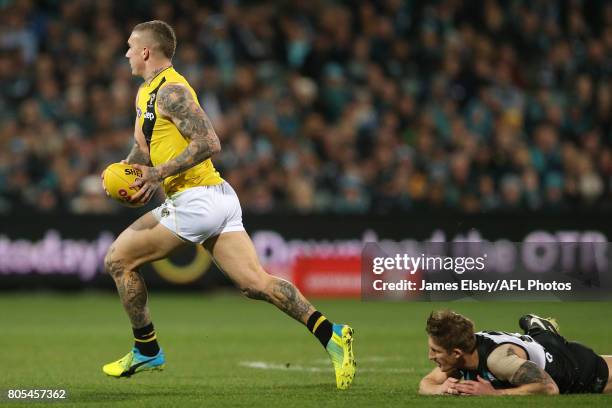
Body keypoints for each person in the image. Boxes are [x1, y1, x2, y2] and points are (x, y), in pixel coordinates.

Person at [100, 20, 355, 390]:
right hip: (215, 197)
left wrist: (156, 175)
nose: (124, 53)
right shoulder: (145, 93)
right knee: (255, 284)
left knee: (117, 260)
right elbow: (144, 146)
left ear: (145, 51)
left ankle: (146, 348)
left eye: (129, 47)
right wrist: (126, 175)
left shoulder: (172, 90)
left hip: (196, 199)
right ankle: (332, 334)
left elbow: (209, 142)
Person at [419, 310, 611, 395]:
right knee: (541, 342)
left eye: (435, 351)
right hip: (539, 347)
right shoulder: (463, 347)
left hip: (578, 368)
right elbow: (426, 384)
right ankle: (539, 330)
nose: (430, 356)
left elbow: (549, 388)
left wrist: (493, 394)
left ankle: (543, 332)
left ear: (456, 353)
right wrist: (440, 389)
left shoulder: (498, 360)